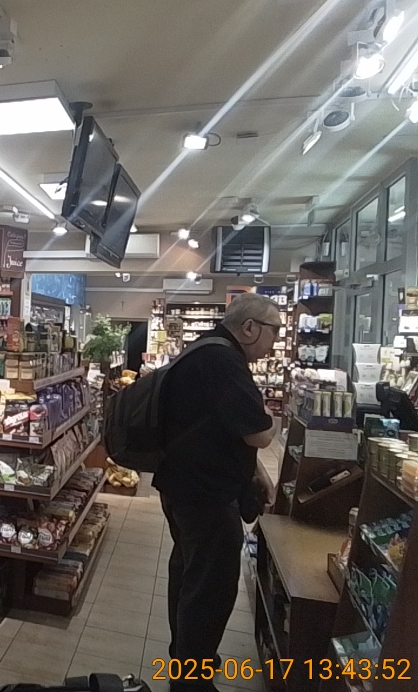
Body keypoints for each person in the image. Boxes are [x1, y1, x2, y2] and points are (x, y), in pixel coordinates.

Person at [153, 293, 280, 691]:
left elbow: (218, 426)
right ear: (250, 328)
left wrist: (255, 470)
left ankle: (187, 659)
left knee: (190, 573)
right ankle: (192, 679)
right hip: (205, 493)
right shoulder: (224, 361)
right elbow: (258, 432)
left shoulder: (207, 350)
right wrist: (272, 420)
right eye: (274, 331)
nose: (275, 341)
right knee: (210, 588)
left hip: (183, 485)